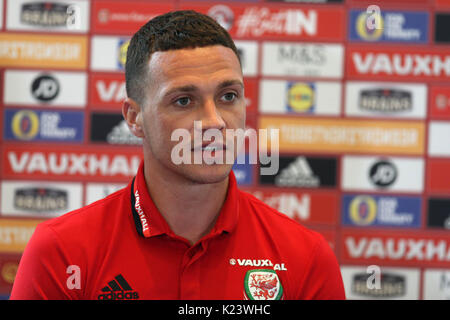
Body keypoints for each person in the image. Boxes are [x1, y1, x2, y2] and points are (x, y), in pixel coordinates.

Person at [10, 10, 345, 300]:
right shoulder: (61, 251)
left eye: (228, 96)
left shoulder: (304, 257)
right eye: (184, 101)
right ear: (133, 118)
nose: (214, 122)